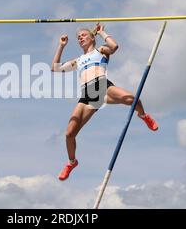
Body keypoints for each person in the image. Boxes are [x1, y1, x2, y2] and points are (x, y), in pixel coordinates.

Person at [51, 23, 158, 181]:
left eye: (83, 35)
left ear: (92, 37)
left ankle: (143, 115)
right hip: (88, 95)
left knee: (133, 99)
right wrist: (61, 46)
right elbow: (55, 68)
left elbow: (114, 47)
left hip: (102, 86)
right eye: (78, 37)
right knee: (69, 133)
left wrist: (102, 33)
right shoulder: (78, 60)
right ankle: (71, 162)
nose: (80, 37)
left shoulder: (100, 50)